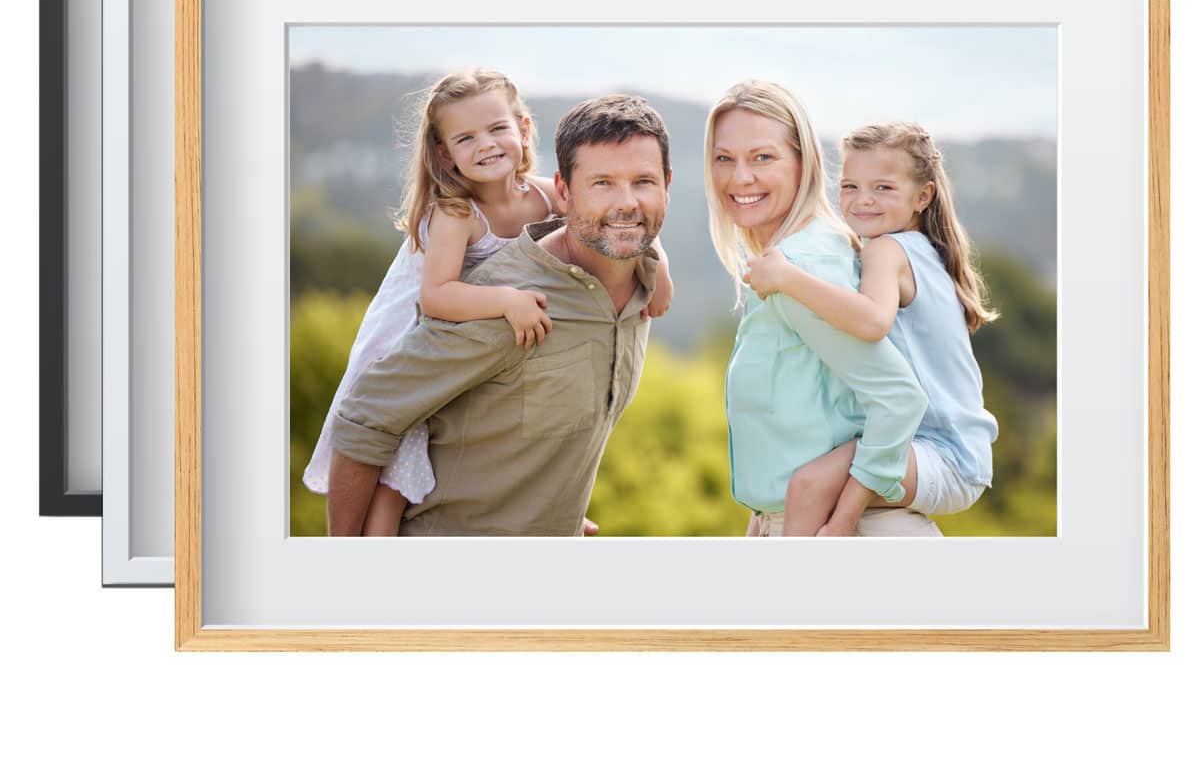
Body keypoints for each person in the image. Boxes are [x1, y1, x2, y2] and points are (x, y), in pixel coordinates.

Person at [303, 70, 673, 536]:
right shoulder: (457, 214)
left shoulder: (541, 194)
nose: (486, 145)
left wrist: (657, 266)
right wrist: (506, 301)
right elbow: (434, 300)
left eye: (497, 128)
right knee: (398, 476)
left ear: (523, 129)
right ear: (445, 153)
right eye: (466, 138)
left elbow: (622, 218)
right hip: (425, 320)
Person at [704, 80, 936, 538]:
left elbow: (899, 399)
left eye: (762, 157)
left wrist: (846, 513)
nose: (740, 177)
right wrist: (762, 520)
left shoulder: (803, 265)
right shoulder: (786, 260)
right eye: (724, 158)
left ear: (803, 162)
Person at [743, 122, 999, 535]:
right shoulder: (919, 250)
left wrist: (786, 278)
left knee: (809, 486)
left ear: (923, 196)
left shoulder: (887, 249)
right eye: (850, 187)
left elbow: (872, 321)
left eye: (883, 188)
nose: (863, 200)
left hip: (942, 452)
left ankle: (835, 533)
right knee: (806, 482)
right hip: (955, 451)